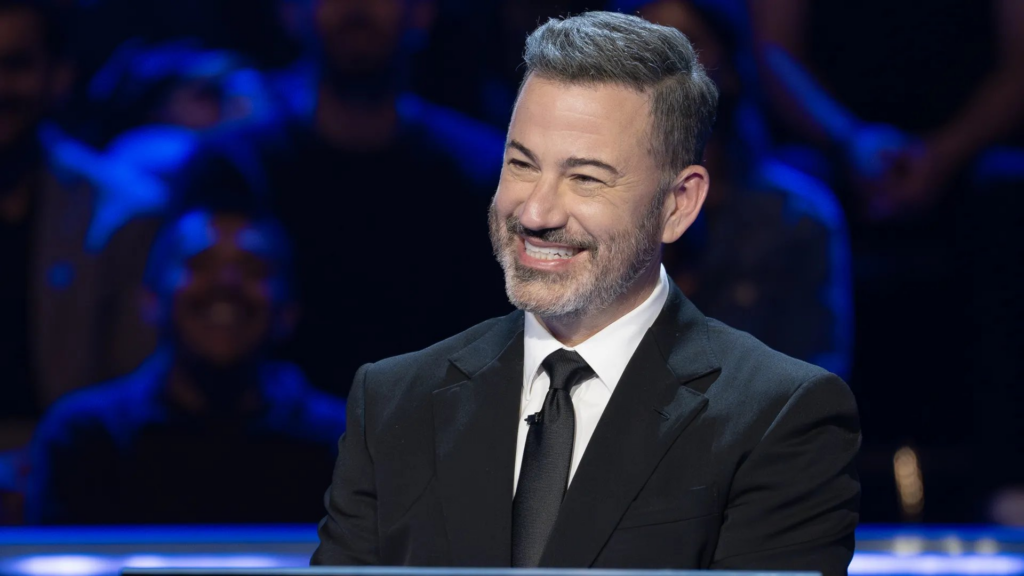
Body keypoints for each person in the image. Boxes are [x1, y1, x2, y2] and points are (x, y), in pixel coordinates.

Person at [313, 11, 860, 575]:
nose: (535, 213)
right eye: (521, 165)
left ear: (678, 204)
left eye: (586, 178)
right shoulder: (392, 403)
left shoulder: (780, 417)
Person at [178, 0, 510, 394]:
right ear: (291, 12)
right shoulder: (233, 171)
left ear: (422, 12)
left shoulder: (486, 177)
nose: (356, 6)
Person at [27, 202, 346, 524]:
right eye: (200, 264)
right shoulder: (85, 440)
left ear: (288, 312)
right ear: (150, 301)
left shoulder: (342, 446)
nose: (227, 283)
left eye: (252, 269)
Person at [0, 0, 156, 435]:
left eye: (15, 65)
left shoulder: (125, 216)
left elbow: (132, 401)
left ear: (60, 76)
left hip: (67, 460)